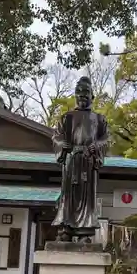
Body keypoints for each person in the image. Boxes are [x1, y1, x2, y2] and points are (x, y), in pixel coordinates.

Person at [52, 76, 109, 242]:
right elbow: (57, 137)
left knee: (87, 196)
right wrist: (63, 145)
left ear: (92, 96)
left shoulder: (99, 119)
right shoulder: (66, 117)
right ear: (75, 95)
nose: (82, 95)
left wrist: (97, 146)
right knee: (68, 195)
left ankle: (85, 230)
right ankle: (66, 228)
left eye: (86, 92)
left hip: (88, 161)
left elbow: (106, 139)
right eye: (79, 92)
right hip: (71, 161)